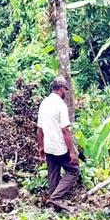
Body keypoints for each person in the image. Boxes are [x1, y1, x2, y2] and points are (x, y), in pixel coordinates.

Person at [37, 76, 80, 212]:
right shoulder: (60, 105)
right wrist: (72, 152)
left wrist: (41, 147)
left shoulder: (44, 103)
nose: (65, 93)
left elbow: (40, 129)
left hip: (49, 146)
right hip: (60, 147)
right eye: (65, 90)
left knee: (53, 175)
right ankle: (55, 197)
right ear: (61, 89)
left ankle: (56, 209)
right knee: (73, 170)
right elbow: (65, 130)